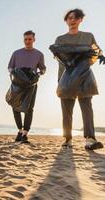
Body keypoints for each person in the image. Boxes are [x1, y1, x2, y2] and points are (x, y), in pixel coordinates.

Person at [54, 8, 105, 149]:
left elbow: (96, 49)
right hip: (66, 77)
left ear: (81, 20)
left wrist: (100, 55)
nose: (73, 20)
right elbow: (59, 57)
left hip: (84, 76)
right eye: (70, 18)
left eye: (76, 18)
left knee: (87, 107)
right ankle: (67, 139)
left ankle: (90, 139)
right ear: (66, 21)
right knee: (66, 110)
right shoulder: (60, 39)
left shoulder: (88, 36)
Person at [8, 31, 46, 143]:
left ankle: (25, 134)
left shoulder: (39, 54)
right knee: (15, 106)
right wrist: (14, 72)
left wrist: (39, 73)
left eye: (30, 39)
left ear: (34, 40)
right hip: (17, 83)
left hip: (31, 84)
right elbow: (10, 67)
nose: (27, 41)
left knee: (29, 108)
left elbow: (43, 69)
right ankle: (19, 130)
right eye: (25, 39)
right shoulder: (16, 53)